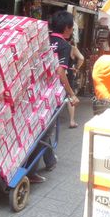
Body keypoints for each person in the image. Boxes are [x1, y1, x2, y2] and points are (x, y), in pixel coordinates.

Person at [29, 10, 79, 184]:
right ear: (67, 28)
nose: (72, 31)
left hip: (36, 90)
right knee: (45, 131)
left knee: (44, 127)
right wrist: (71, 94)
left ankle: (50, 161)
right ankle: (31, 171)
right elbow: (60, 71)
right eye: (72, 28)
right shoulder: (64, 45)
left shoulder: (45, 40)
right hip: (51, 95)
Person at [68, 41, 84, 128]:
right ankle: (72, 121)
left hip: (55, 71)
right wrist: (77, 68)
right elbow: (81, 58)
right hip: (68, 72)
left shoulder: (54, 43)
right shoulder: (72, 48)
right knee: (70, 95)